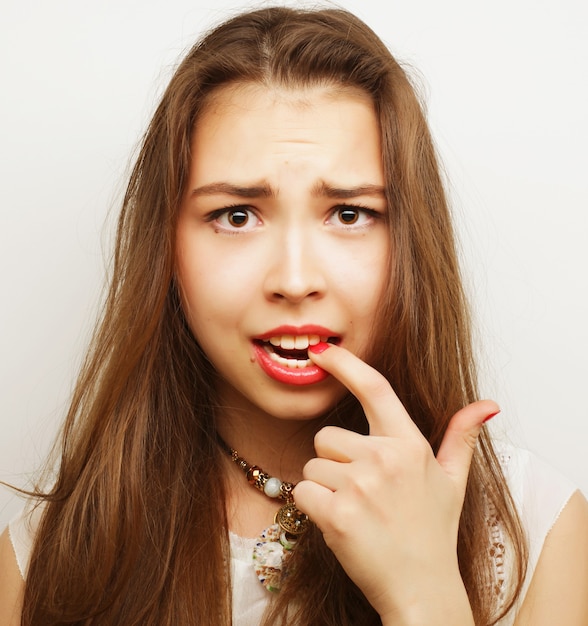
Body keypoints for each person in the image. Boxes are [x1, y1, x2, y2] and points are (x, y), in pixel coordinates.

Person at [1, 5, 586, 625]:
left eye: (350, 214)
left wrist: (425, 596)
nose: (296, 280)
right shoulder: (45, 554)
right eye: (236, 215)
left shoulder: (536, 530)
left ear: (411, 242)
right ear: (166, 249)